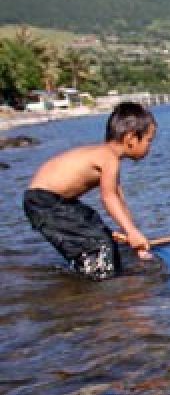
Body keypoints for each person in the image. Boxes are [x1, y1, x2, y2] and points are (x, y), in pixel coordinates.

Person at [24, 102, 157, 280]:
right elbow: (108, 198)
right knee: (99, 244)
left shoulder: (106, 155)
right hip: (44, 202)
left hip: (52, 201)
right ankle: (100, 282)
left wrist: (131, 233)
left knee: (95, 227)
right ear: (131, 138)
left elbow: (118, 199)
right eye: (149, 140)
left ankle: (85, 280)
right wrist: (132, 233)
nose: (150, 146)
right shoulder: (109, 158)